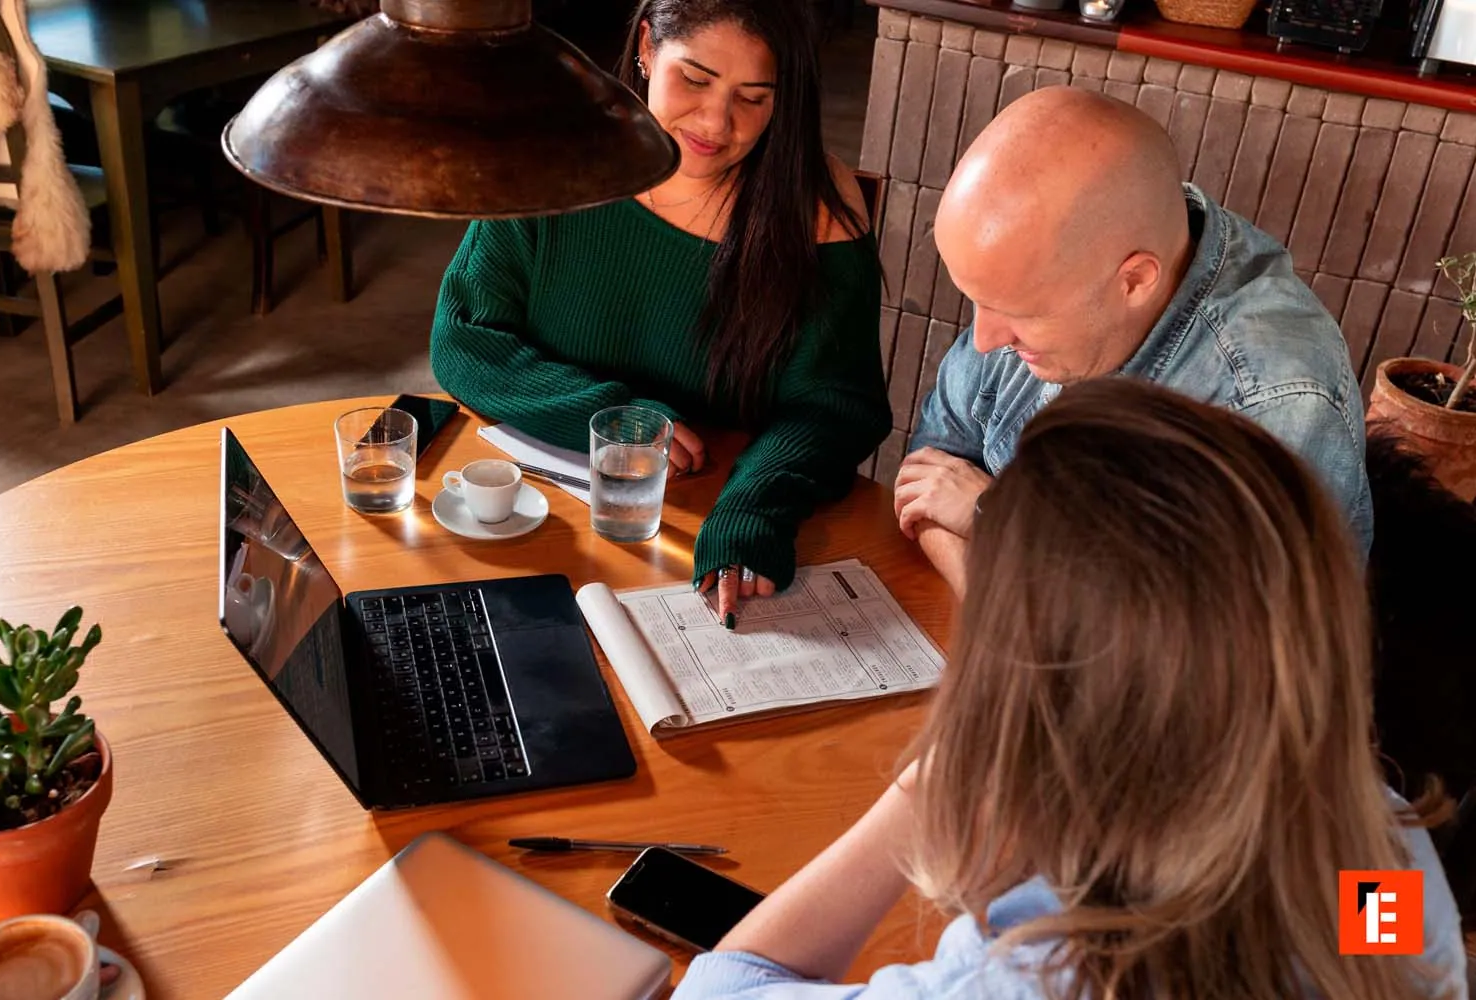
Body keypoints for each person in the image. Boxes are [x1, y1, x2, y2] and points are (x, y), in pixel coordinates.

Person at [673, 378, 1467, 1000]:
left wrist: (931, 785)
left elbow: (726, 986)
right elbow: (1389, 961)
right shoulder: (1382, 855)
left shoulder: (1029, 980)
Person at [429, 0, 890, 622]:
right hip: (536, 519)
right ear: (646, 46)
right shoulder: (552, 154)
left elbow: (836, 408)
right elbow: (464, 338)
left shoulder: (815, 212)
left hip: (705, 524)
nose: (716, 121)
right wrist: (612, 419)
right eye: (694, 79)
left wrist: (753, 507)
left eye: (753, 98)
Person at [896, 86, 1371, 596]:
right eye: (976, 300)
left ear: (1136, 280)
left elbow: (1196, 646)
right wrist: (994, 594)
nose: (984, 340)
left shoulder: (1275, 402)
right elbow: (927, 477)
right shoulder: (1044, 266)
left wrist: (995, 521)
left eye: (1018, 312)